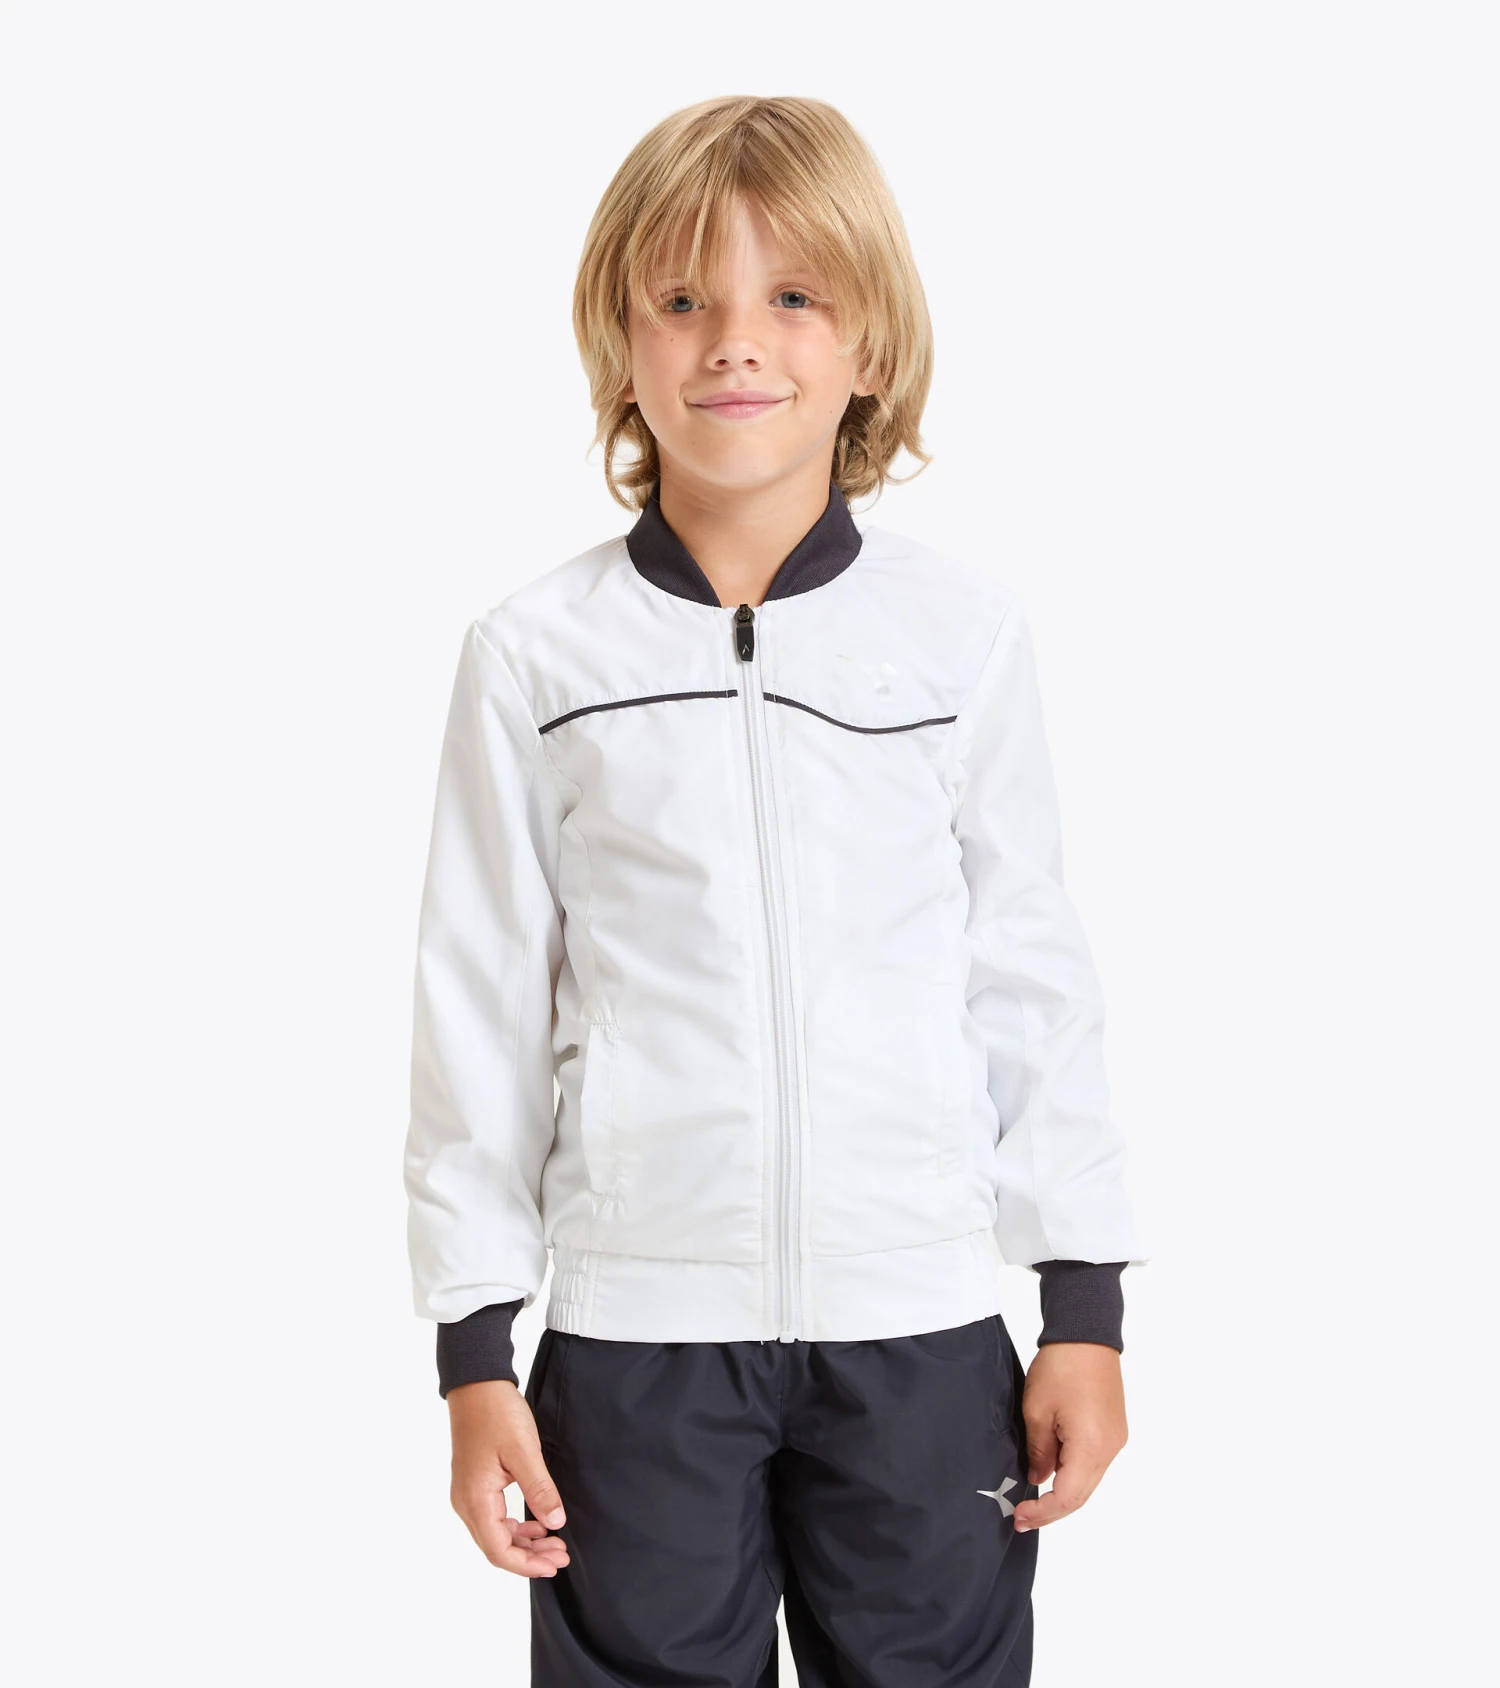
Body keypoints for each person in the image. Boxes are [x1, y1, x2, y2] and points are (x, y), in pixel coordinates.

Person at [404, 93, 1148, 1686]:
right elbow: (477, 1011)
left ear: (868, 343)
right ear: (621, 345)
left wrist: (1082, 1306)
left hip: (921, 1331)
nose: (735, 341)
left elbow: (1030, 975)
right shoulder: (536, 659)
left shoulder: (960, 642)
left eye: (793, 295)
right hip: (635, 1348)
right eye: (682, 299)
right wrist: (474, 1351)